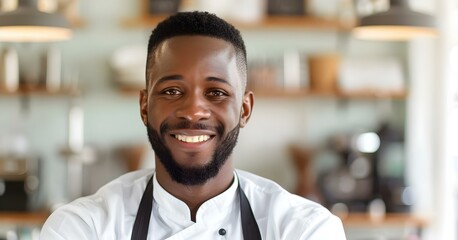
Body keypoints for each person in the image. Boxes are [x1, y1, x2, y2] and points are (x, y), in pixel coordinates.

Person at [40, 11, 346, 240]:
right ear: (145, 106)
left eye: (216, 93)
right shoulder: (82, 228)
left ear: (244, 109)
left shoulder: (304, 229)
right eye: (172, 91)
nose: (193, 111)